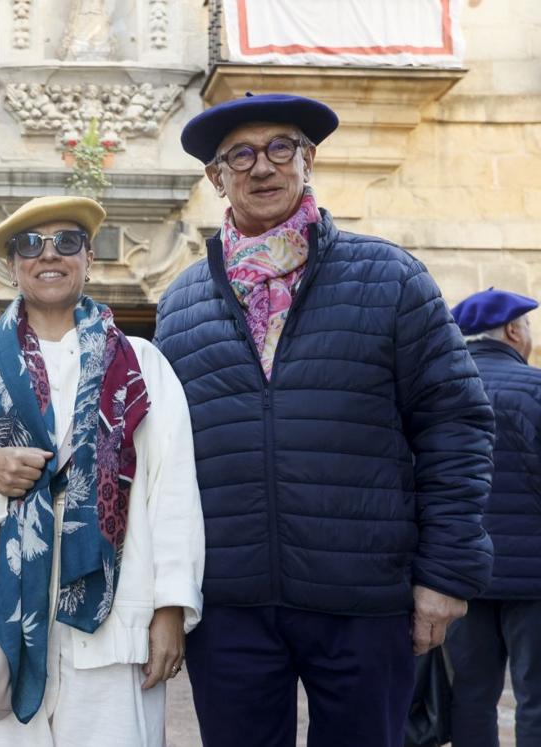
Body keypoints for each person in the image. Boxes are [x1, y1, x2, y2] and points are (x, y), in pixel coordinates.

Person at [153, 93, 496, 747]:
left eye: (281, 146)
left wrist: (444, 575)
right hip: (231, 604)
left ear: (308, 159)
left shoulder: (390, 278)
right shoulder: (180, 304)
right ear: (215, 176)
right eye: (241, 154)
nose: (263, 167)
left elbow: (455, 423)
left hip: (363, 597)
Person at [0, 195, 205, 746]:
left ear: (89, 258)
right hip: (1, 629)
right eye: (30, 244)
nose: (48, 255)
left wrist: (170, 607)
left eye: (67, 242)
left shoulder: (143, 366)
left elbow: (171, 491)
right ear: (12, 263)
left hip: (114, 628)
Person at [447, 288, 541, 747]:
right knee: (537, 698)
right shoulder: (537, 389)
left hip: (461, 573)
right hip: (534, 581)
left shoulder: (439, 390)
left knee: (471, 696)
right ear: (512, 330)